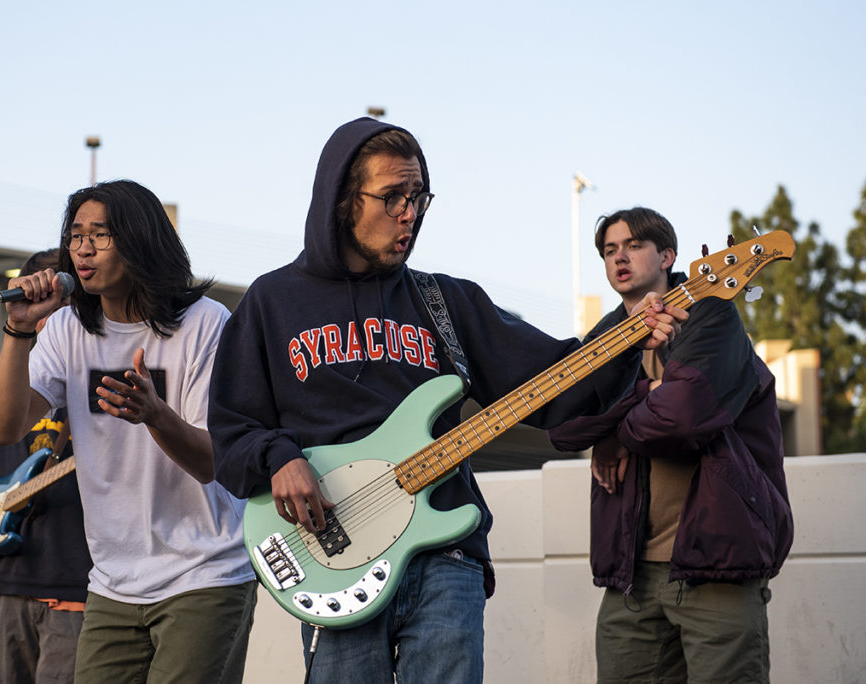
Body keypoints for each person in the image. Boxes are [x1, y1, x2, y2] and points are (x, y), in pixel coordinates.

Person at [207, 118, 686, 684]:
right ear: (342, 201)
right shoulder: (272, 301)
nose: (409, 213)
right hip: (334, 554)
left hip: (445, 551)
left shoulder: (442, 301)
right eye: (391, 198)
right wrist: (279, 457)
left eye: (418, 197)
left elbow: (556, 386)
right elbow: (232, 429)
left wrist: (625, 334)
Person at [0, 180, 257, 684]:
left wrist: (155, 414)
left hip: (205, 573)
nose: (83, 248)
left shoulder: (204, 324)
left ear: (140, 241)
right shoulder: (68, 329)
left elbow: (213, 460)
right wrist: (19, 329)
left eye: (100, 235)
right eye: (75, 235)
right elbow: (3, 429)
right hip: (112, 584)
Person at [547, 207, 794, 683]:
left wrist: (614, 431)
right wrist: (633, 408)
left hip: (717, 568)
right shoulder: (606, 337)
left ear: (668, 255)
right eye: (608, 250)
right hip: (631, 577)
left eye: (633, 245)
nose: (619, 257)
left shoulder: (711, 313)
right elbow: (561, 427)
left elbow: (682, 419)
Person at [0, 248, 92, 684]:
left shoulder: (96, 381)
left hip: (74, 588)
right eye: (37, 308)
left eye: (57, 307)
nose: (47, 320)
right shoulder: (2, 386)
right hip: (6, 584)